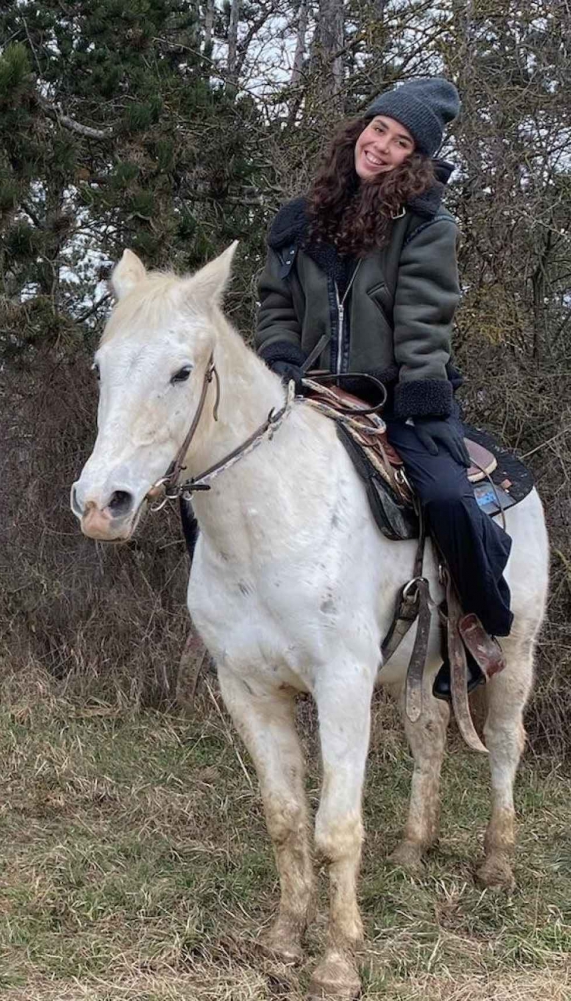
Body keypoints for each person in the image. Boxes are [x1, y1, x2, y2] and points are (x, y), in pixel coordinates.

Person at [253, 77, 512, 698]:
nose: (382, 146)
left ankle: (481, 629)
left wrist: (422, 392)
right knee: (211, 477)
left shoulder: (425, 224)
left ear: (414, 158)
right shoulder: (299, 219)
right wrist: (281, 354)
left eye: (400, 142)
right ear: (360, 130)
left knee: (448, 498)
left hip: (400, 395)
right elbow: (275, 303)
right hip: (310, 394)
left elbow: (425, 318)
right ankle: (239, 626)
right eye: (379, 130)